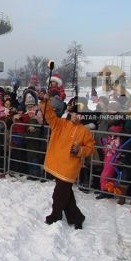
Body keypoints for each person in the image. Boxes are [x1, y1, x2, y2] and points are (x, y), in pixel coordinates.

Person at [40, 93, 95, 229]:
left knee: (58, 194)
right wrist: (45, 101)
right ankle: (77, 217)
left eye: (81, 115)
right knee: (66, 195)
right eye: (76, 114)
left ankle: (55, 215)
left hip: (69, 168)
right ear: (71, 113)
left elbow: (90, 149)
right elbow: (49, 115)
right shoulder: (60, 124)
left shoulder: (85, 131)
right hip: (57, 163)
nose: (78, 117)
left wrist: (80, 150)